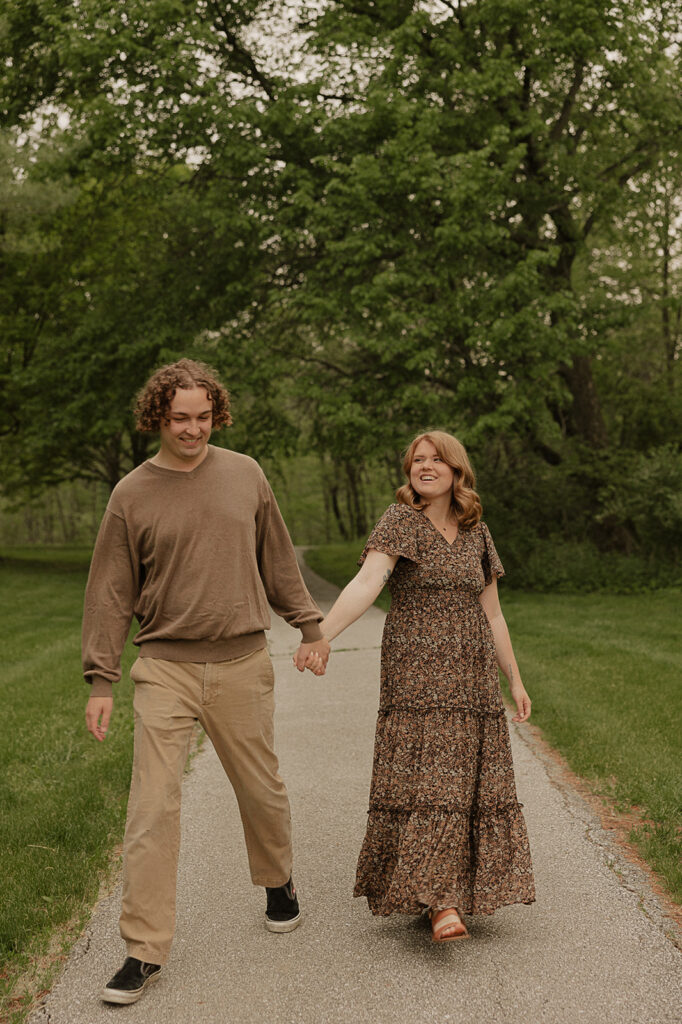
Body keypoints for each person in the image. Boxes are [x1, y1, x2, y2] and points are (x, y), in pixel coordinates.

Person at [82, 358, 330, 1004]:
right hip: (163, 666)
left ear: (215, 412)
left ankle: (278, 881)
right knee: (151, 806)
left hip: (242, 662)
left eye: (202, 417)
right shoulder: (130, 495)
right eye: (178, 419)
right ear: (156, 418)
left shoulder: (245, 474)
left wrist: (309, 624)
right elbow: (110, 592)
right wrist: (100, 679)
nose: (192, 430)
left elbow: (276, 556)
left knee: (262, 788)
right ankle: (142, 949)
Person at [312, 430, 535, 942]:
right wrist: (320, 636)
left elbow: (493, 613)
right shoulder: (400, 523)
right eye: (418, 460)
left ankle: (448, 890)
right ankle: (441, 900)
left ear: (458, 471)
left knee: (459, 780)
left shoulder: (477, 532)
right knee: (431, 779)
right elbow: (368, 583)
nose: (426, 466)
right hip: (417, 673)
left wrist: (514, 680)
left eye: (437, 460)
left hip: (472, 674)